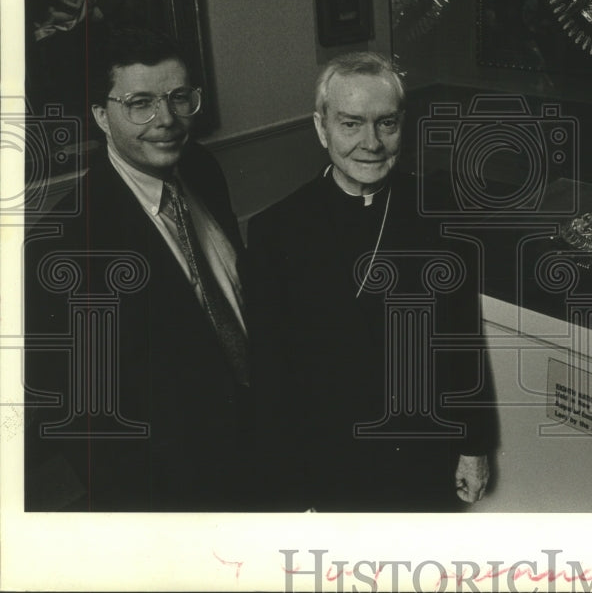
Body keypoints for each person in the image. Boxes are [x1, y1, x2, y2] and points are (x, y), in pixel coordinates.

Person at [247, 50, 498, 512]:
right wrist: (288, 492)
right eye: (350, 124)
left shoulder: (441, 210)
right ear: (322, 127)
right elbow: (271, 376)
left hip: (425, 457)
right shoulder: (274, 232)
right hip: (329, 466)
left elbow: (463, 338)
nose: (372, 143)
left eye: (386, 123)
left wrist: (474, 445)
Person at [23, 28, 254, 511]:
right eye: (140, 103)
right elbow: (86, 429)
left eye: (177, 97)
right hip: (178, 494)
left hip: (264, 451)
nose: (166, 120)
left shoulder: (203, 168)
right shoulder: (63, 246)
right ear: (102, 117)